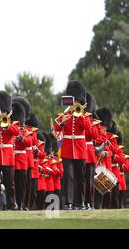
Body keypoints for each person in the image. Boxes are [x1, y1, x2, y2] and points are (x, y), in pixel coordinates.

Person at [54, 80, 92, 210]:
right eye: (73, 101)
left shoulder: (85, 115)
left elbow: (87, 127)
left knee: (80, 177)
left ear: (80, 102)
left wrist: (79, 114)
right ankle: (68, 202)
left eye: (77, 101)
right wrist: (62, 123)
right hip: (67, 148)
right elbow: (56, 129)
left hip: (80, 148)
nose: (75, 103)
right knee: (68, 176)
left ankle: (79, 203)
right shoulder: (65, 115)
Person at [10, 101, 31, 211]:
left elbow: (30, 142)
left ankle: (21, 203)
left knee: (21, 185)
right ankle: (13, 204)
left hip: (21, 161)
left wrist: (22, 138)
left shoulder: (24, 131)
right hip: (11, 159)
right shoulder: (9, 129)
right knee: (11, 184)